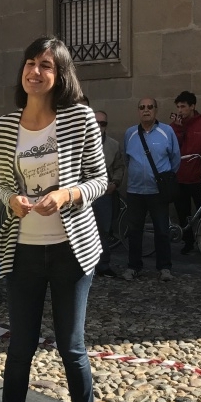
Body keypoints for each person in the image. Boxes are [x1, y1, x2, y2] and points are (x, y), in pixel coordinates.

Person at [0, 36, 107, 402]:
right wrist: (11, 200)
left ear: (59, 75)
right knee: (19, 346)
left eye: (46, 65)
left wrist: (68, 194)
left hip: (70, 251)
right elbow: (2, 184)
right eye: (30, 63)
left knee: (71, 345)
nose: (35, 71)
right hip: (22, 250)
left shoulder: (79, 118)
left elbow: (100, 179)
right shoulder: (6, 126)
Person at [122, 99, 180, 282]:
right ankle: (133, 266)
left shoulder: (167, 131)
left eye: (150, 107)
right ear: (138, 111)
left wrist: (165, 179)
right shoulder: (130, 133)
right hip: (135, 191)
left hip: (157, 192)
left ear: (156, 110)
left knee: (162, 230)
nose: (146, 110)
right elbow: (127, 159)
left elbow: (175, 159)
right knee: (134, 231)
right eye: (142, 107)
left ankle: (164, 268)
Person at [170, 91, 201, 254]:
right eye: (178, 107)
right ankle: (188, 242)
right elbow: (171, 147)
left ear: (192, 106)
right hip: (179, 176)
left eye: (183, 106)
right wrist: (178, 129)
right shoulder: (173, 127)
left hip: (198, 176)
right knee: (183, 212)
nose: (180, 110)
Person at [92, 110, 124, 278]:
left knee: (104, 231)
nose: (99, 126)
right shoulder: (79, 143)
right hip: (83, 194)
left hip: (104, 193)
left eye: (103, 123)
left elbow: (119, 166)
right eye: (96, 122)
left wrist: (115, 183)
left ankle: (103, 265)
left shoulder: (113, 145)